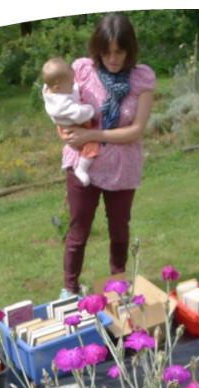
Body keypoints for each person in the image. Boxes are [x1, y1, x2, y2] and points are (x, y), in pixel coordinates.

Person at [58, 13, 156, 298]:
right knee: (78, 230)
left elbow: (135, 130)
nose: (113, 58)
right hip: (82, 166)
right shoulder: (81, 71)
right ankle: (69, 289)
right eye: (107, 51)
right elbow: (60, 104)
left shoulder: (142, 78)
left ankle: (118, 283)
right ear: (98, 48)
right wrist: (68, 130)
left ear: (130, 49)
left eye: (120, 51)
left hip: (122, 169)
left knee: (119, 230)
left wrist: (92, 135)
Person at [42, 57, 100, 186]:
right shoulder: (61, 105)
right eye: (70, 83)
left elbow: (68, 92)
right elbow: (79, 114)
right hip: (73, 126)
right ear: (57, 86)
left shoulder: (49, 90)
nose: (73, 85)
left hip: (64, 124)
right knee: (91, 145)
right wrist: (91, 109)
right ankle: (82, 168)